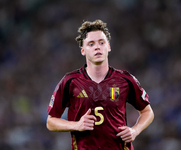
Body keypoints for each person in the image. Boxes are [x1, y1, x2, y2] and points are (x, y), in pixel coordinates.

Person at [46, 20, 154, 150]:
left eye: (101, 42)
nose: (97, 47)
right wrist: (77, 125)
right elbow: (50, 122)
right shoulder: (70, 81)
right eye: (91, 44)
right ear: (83, 50)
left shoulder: (125, 80)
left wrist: (135, 131)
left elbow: (147, 111)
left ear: (108, 47)